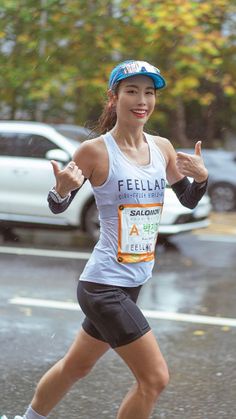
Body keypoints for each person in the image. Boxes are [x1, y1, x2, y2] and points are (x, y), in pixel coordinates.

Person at [2, 59, 208, 419]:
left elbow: (187, 198)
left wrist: (202, 178)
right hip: (103, 286)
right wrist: (60, 191)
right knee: (155, 379)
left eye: (149, 92)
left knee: (75, 367)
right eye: (132, 91)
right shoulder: (95, 151)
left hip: (133, 281)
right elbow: (57, 204)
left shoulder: (162, 148)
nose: (142, 99)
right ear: (114, 97)